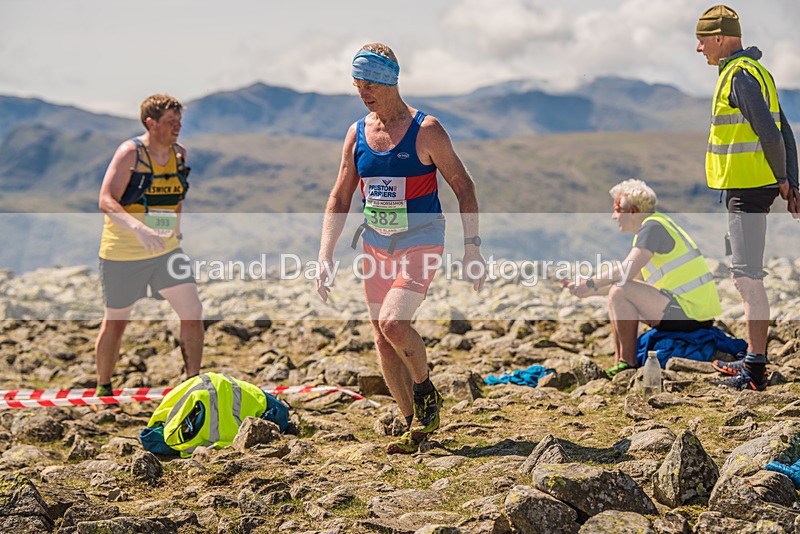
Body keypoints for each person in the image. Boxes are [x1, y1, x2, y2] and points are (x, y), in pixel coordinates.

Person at [316, 43, 486, 454]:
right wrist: (324, 255)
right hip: (375, 244)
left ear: (392, 80)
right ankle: (415, 427)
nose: (363, 91)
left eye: (370, 82)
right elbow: (340, 197)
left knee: (393, 323)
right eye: (357, 83)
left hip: (421, 239)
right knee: (380, 336)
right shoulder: (357, 133)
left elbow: (463, 186)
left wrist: (472, 247)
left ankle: (426, 391)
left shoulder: (426, 130)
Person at [696, 5, 799, 390]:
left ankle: (754, 368)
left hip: (748, 190)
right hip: (753, 189)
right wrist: (791, 180)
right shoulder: (756, 72)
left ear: (720, 38)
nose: (699, 48)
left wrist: (785, 181)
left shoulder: (739, 75)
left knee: (747, 278)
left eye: (702, 40)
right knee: (746, 274)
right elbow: (784, 128)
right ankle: (753, 361)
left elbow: (771, 134)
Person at [95, 94, 203, 396]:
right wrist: (138, 228)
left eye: (179, 121)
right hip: (123, 252)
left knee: (192, 311)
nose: (177, 127)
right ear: (150, 123)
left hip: (166, 252)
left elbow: (177, 198)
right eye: (171, 122)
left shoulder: (180, 154)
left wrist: (176, 233)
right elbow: (106, 200)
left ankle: (192, 382)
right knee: (116, 322)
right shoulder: (130, 153)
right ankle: (103, 388)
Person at [566, 179, 722, 377]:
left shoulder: (652, 227)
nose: (614, 217)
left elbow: (626, 273)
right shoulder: (655, 227)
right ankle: (619, 363)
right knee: (618, 292)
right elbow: (636, 280)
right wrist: (589, 291)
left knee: (619, 291)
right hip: (694, 311)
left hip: (691, 313)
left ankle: (626, 363)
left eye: (617, 210)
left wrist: (590, 282)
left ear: (632, 211)